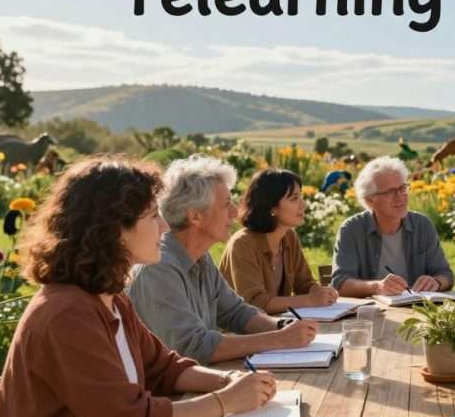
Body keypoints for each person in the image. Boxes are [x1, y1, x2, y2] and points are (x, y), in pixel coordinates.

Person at [0, 156, 276, 417]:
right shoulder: (66, 314)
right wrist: (225, 401)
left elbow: (163, 367)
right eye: (153, 216)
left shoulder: (110, 298)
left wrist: (227, 381)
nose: (165, 226)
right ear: (113, 230)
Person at [129, 155, 317, 365]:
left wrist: (282, 325)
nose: (235, 212)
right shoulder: (158, 267)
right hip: (175, 394)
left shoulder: (201, 257)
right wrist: (279, 339)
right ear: (196, 216)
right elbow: (193, 347)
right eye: (226, 204)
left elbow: (236, 312)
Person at [219, 168, 338, 313]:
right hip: (239, 332)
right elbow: (255, 303)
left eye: (301, 196)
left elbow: (304, 284)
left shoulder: (289, 237)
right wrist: (310, 300)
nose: (303, 205)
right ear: (271, 207)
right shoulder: (242, 244)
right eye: (294, 198)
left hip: (276, 325)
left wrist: (319, 291)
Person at [331, 156, 454, 297]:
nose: (400, 196)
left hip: (417, 312)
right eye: (390, 192)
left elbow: (446, 275)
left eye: (402, 188)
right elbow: (340, 283)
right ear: (370, 199)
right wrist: (377, 287)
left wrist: (436, 282)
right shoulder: (351, 229)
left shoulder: (422, 225)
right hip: (370, 314)